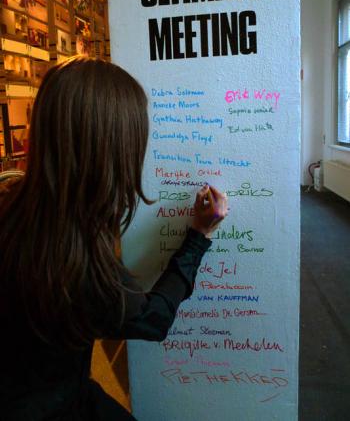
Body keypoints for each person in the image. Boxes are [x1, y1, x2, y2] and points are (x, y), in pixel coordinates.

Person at [0, 57, 228, 420]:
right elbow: (154, 319)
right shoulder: (76, 261)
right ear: (109, 155)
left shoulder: (11, 204)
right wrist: (199, 235)